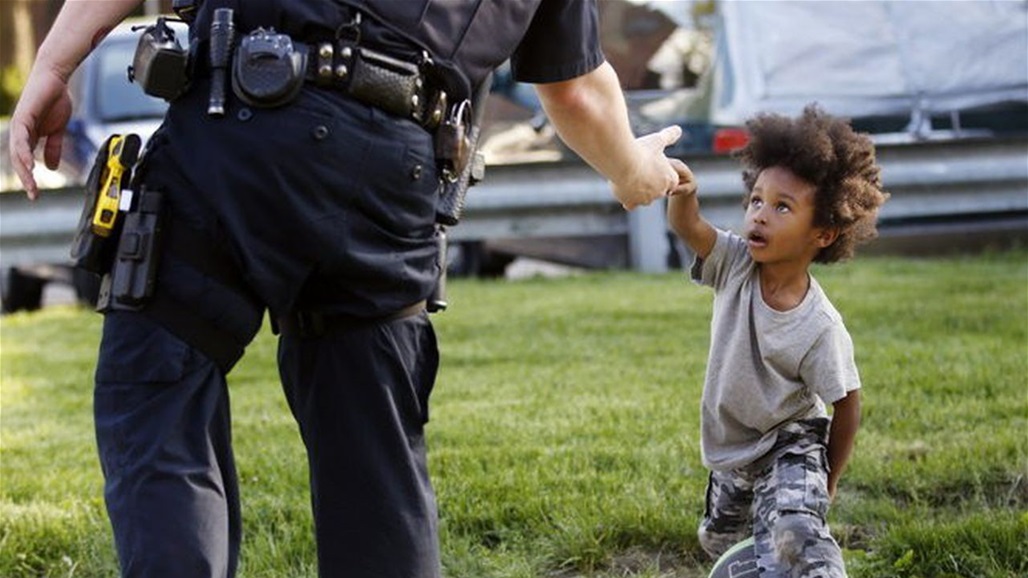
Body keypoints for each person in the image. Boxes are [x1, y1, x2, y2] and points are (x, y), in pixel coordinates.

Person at [9, 1, 690, 577]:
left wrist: (54, 65)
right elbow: (573, 86)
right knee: (373, 453)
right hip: (394, 165)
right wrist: (631, 169)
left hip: (240, 123)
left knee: (156, 393)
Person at [667, 105, 888, 577]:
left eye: (782, 206)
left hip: (792, 443)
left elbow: (847, 403)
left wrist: (826, 482)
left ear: (824, 232)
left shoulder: (820, 326)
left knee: (795, 532)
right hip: (732, 445)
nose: (761, 216)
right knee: (722, 539)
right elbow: (691, 228)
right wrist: (685, 194)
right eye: (756, 201)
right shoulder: (735, 262)